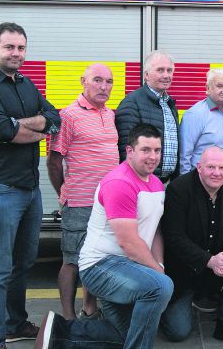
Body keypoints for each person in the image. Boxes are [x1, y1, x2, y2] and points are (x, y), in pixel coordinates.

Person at [0, 22, 61, 349]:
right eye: (9, 47)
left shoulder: (25, 83)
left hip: (29, 189)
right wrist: (33, 128)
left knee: (23, 262)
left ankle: (15, 323)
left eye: (21, 48)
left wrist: (24, 126)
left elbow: (53, 118)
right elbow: (0, 131)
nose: (16, 53)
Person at [35, 124, 173, 349]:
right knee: (161, 287)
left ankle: (58, 334)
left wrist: (159, 264)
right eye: (145, 150)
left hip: (128, 268)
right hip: (100, 267)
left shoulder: (156, 183)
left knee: (126, 335)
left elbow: (155, 229)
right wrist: (158, 275)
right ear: (130, 151)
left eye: (157, 150)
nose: (153, 156)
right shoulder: (120, 182)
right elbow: (128, 243)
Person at [159, 147, 223, 348]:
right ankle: (170, 306)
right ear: (199, 167)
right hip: (185, 269)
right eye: (210, 167)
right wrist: (209, 261)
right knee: (178, 332)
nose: (216, 173)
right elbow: (174, 238)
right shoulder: (179, 189)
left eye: (222, 167)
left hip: (218, 262)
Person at [47, 63, 119, 321]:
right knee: (72, 260)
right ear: (83, 82)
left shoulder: (110, 114)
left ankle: (89, 306)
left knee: (96, 257)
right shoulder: (68, 115)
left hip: (106, 202)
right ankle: (67, 317)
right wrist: (65, 192)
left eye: (109, 81)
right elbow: (54, 161)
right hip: (79, 202)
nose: (104, 86)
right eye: (97, 80)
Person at [115, 50, 180, 183]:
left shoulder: (169, 104)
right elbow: (125, 150)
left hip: (166, 183)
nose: (166, 75)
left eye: (169, 70)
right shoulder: (132, 102)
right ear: (146, 75)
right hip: (141, 182)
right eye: (160, 70)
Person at [179, 68, 223, 177]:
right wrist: (187, 186)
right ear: (208, 88)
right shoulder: (195, 114)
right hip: (200, 183)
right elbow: (184, 156)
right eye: (219, 86)